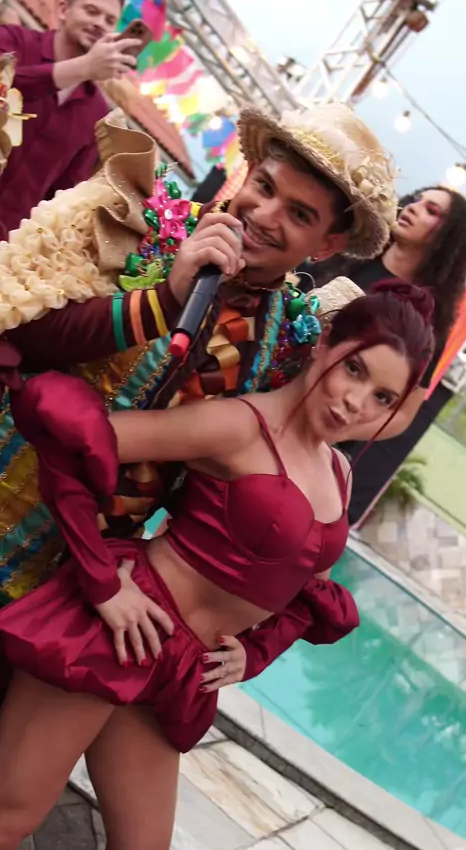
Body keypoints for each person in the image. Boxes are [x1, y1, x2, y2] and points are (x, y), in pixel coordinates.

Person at [0, 279, 435, 849]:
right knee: (11, 815)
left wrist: (254, 652)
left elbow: (310, 590)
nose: (356, 403)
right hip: (120, 635)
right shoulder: (239, 427)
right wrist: (101, 579)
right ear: (326, 342)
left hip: (182, 668)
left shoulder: (340, 473)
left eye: (382, 397)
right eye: (354, 370)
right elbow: (74, 439)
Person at [0, 101, 397, 603]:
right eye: (265, 187)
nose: (264, 215)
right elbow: (21, 334)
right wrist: (166, 299)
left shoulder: (287, 347)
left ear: (326, 245)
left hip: (68, 589)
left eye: (299, 214)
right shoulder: (133, 216)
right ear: (249, 171)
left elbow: (213, 495)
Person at [298, 185, 466, 524]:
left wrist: (341, 428)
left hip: (312, 448)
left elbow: (404, 413)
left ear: (448, 239)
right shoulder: (348, 258)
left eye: (432, 211)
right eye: (417, 200)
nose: (414, 208)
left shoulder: (425, 321)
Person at [0, 0, 142, 240]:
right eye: (91, 11)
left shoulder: (97, 113)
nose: (100, 23)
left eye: (110, 20)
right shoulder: (15, 40)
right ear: (63, 9)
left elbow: (62, 197)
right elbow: (6, 84)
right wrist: (83, 67)